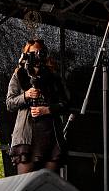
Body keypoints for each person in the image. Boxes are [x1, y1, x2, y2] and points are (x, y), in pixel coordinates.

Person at [6, 39, 69, 175]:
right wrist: (26, 95)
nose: (36, 55)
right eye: (32, 53)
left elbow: (66, 104)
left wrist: (47, 109)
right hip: (27, 137)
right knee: (25, 186)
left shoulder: (53, 77)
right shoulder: (19, 75)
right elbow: (9, 103)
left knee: (48, 185)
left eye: (39, 52)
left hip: (51, 136)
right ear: (26, 55)